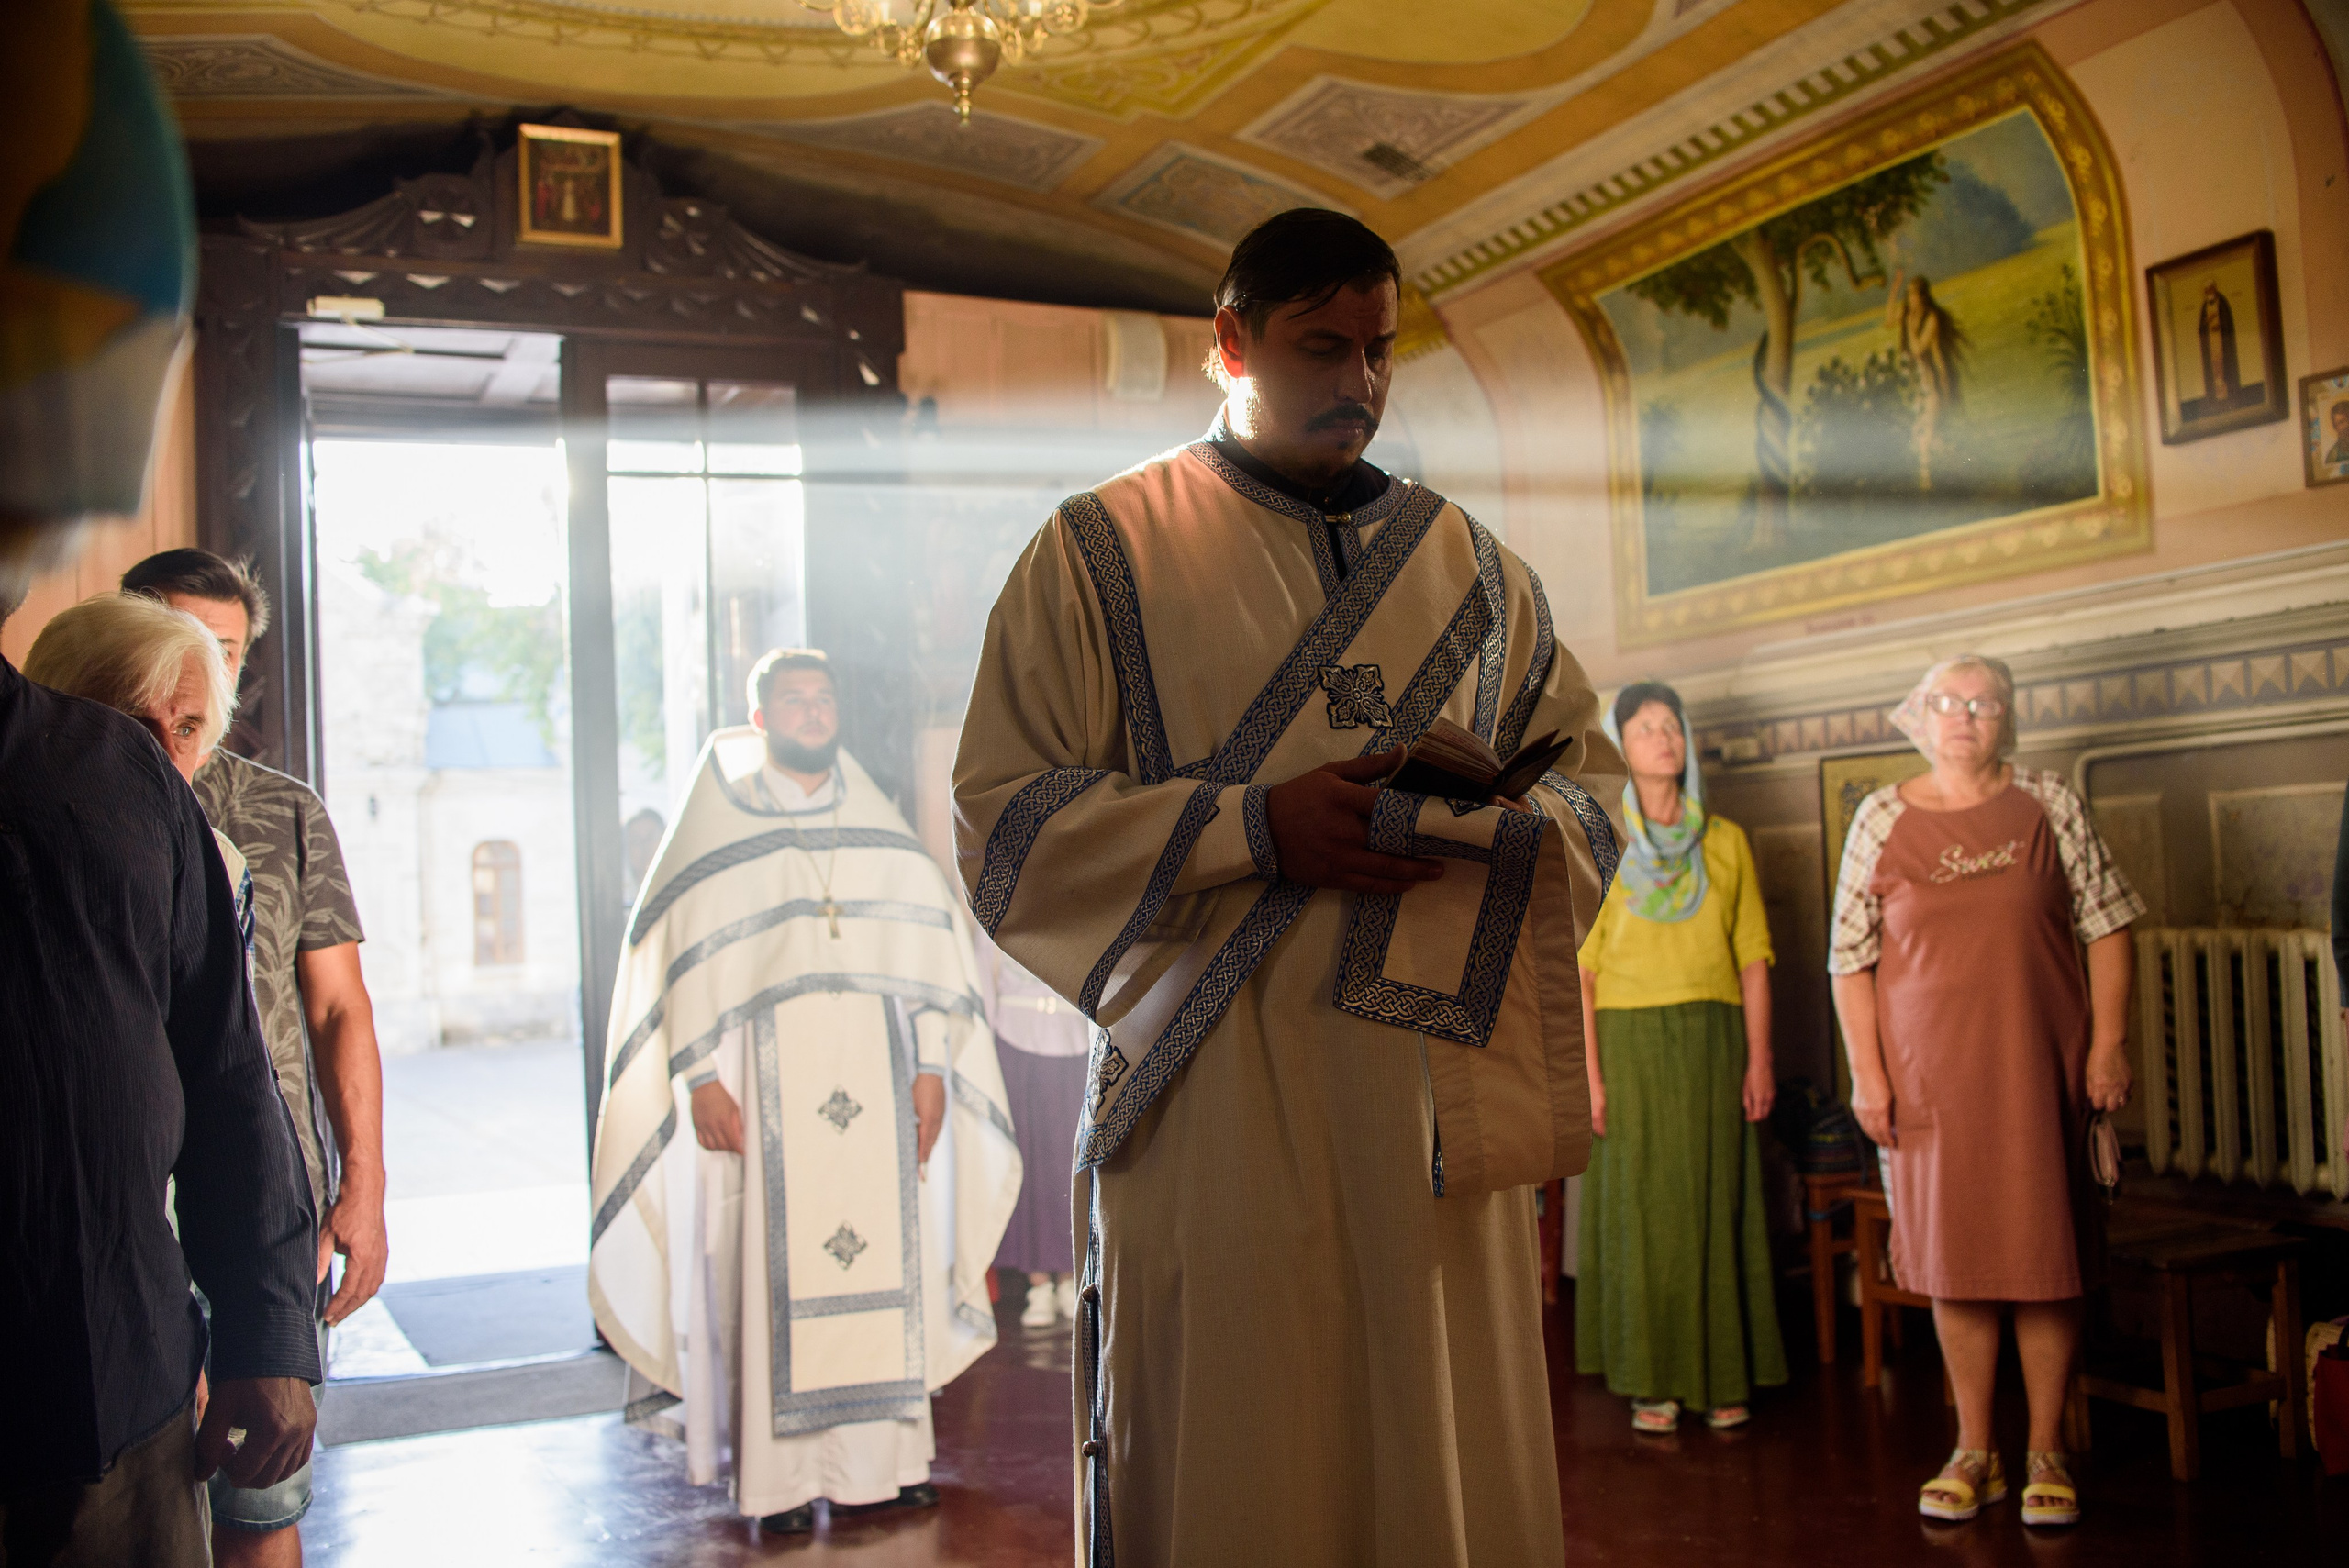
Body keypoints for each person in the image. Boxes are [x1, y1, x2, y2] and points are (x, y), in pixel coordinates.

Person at [953, 207, 1621, 1567]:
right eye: (1324, 348)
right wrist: (1254, 829)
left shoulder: (1480, 575)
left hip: (1434, 1098)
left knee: (1434, 1440)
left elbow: (1589, 793)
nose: (1362, 384)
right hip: (1218, 1105)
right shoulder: (1097, 553)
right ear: (1228, 341)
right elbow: (1007, 826)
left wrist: (1496, 834)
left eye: (1383, 351)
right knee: (1247, 1450)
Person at [588, 647, 1020, 1535]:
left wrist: (933, 1067)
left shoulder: (877, 830)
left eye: (825, 697)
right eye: (795, 698)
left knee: (885, 1261)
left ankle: (883, 1468)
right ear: (761, 719)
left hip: (878, 1083)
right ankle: (779, 1485)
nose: (815, 711)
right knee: (766, 1266)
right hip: (761, 1095)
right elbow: (678, 965)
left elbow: (927, 967)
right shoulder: (713, 835)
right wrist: (699, 1079)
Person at [2, 584, 321, 1562]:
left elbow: (231, 1079)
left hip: (114, 1361)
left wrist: (265, 1329)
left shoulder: (130, 793)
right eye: (132, 712)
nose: (162, 744)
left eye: (185, 724)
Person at [1829, 653, 2142, 1530]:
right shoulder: (1880, 816)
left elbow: (2110, 923)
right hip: (1927, 1083)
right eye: (1946, 701)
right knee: (1955, 1261)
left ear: (2007, 717)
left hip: (2041, 1068)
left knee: (2048, 1257)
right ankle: (1975, 1448)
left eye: (1983, 701)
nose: (1963, 714)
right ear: (1918, 718)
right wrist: (1869, 1075)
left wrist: (2109, 1046)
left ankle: (2047, 1448)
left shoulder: (2051, 802)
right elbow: (1847, 960)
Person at [122, 549, 386, 1567]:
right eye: (177, 642)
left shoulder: (283, 812)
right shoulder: (62, 795)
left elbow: (336, 1012)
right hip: (121, 1209)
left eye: (222, 652)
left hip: (266, 1204)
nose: (197, 673)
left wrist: (361, 1182)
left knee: (261, 1496)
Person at [1575, 681, 1787, 1433]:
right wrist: (1591, 1079)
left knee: (1714, 1198)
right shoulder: (1603, 841)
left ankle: (1723, 1371)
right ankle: (1650, 1379)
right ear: (1620, 747)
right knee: (1643, 1210)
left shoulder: (1725, 841)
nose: (1664, 738)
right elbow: (1583, 972)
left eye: (1673, 726)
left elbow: (1755, 958)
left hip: (1713, 1038)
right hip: (1628, 1044)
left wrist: (1758, 1060)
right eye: (1645, 727)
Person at [974, 928, 1087, 1328]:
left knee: (1069, 1164)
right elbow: (982, 980)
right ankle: (1036, 1283)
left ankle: (1071, 1277)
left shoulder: (1081, 901)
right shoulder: (996, 901)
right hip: (1014, 1040)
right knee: (1028, 1163)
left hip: (1076, 1041)